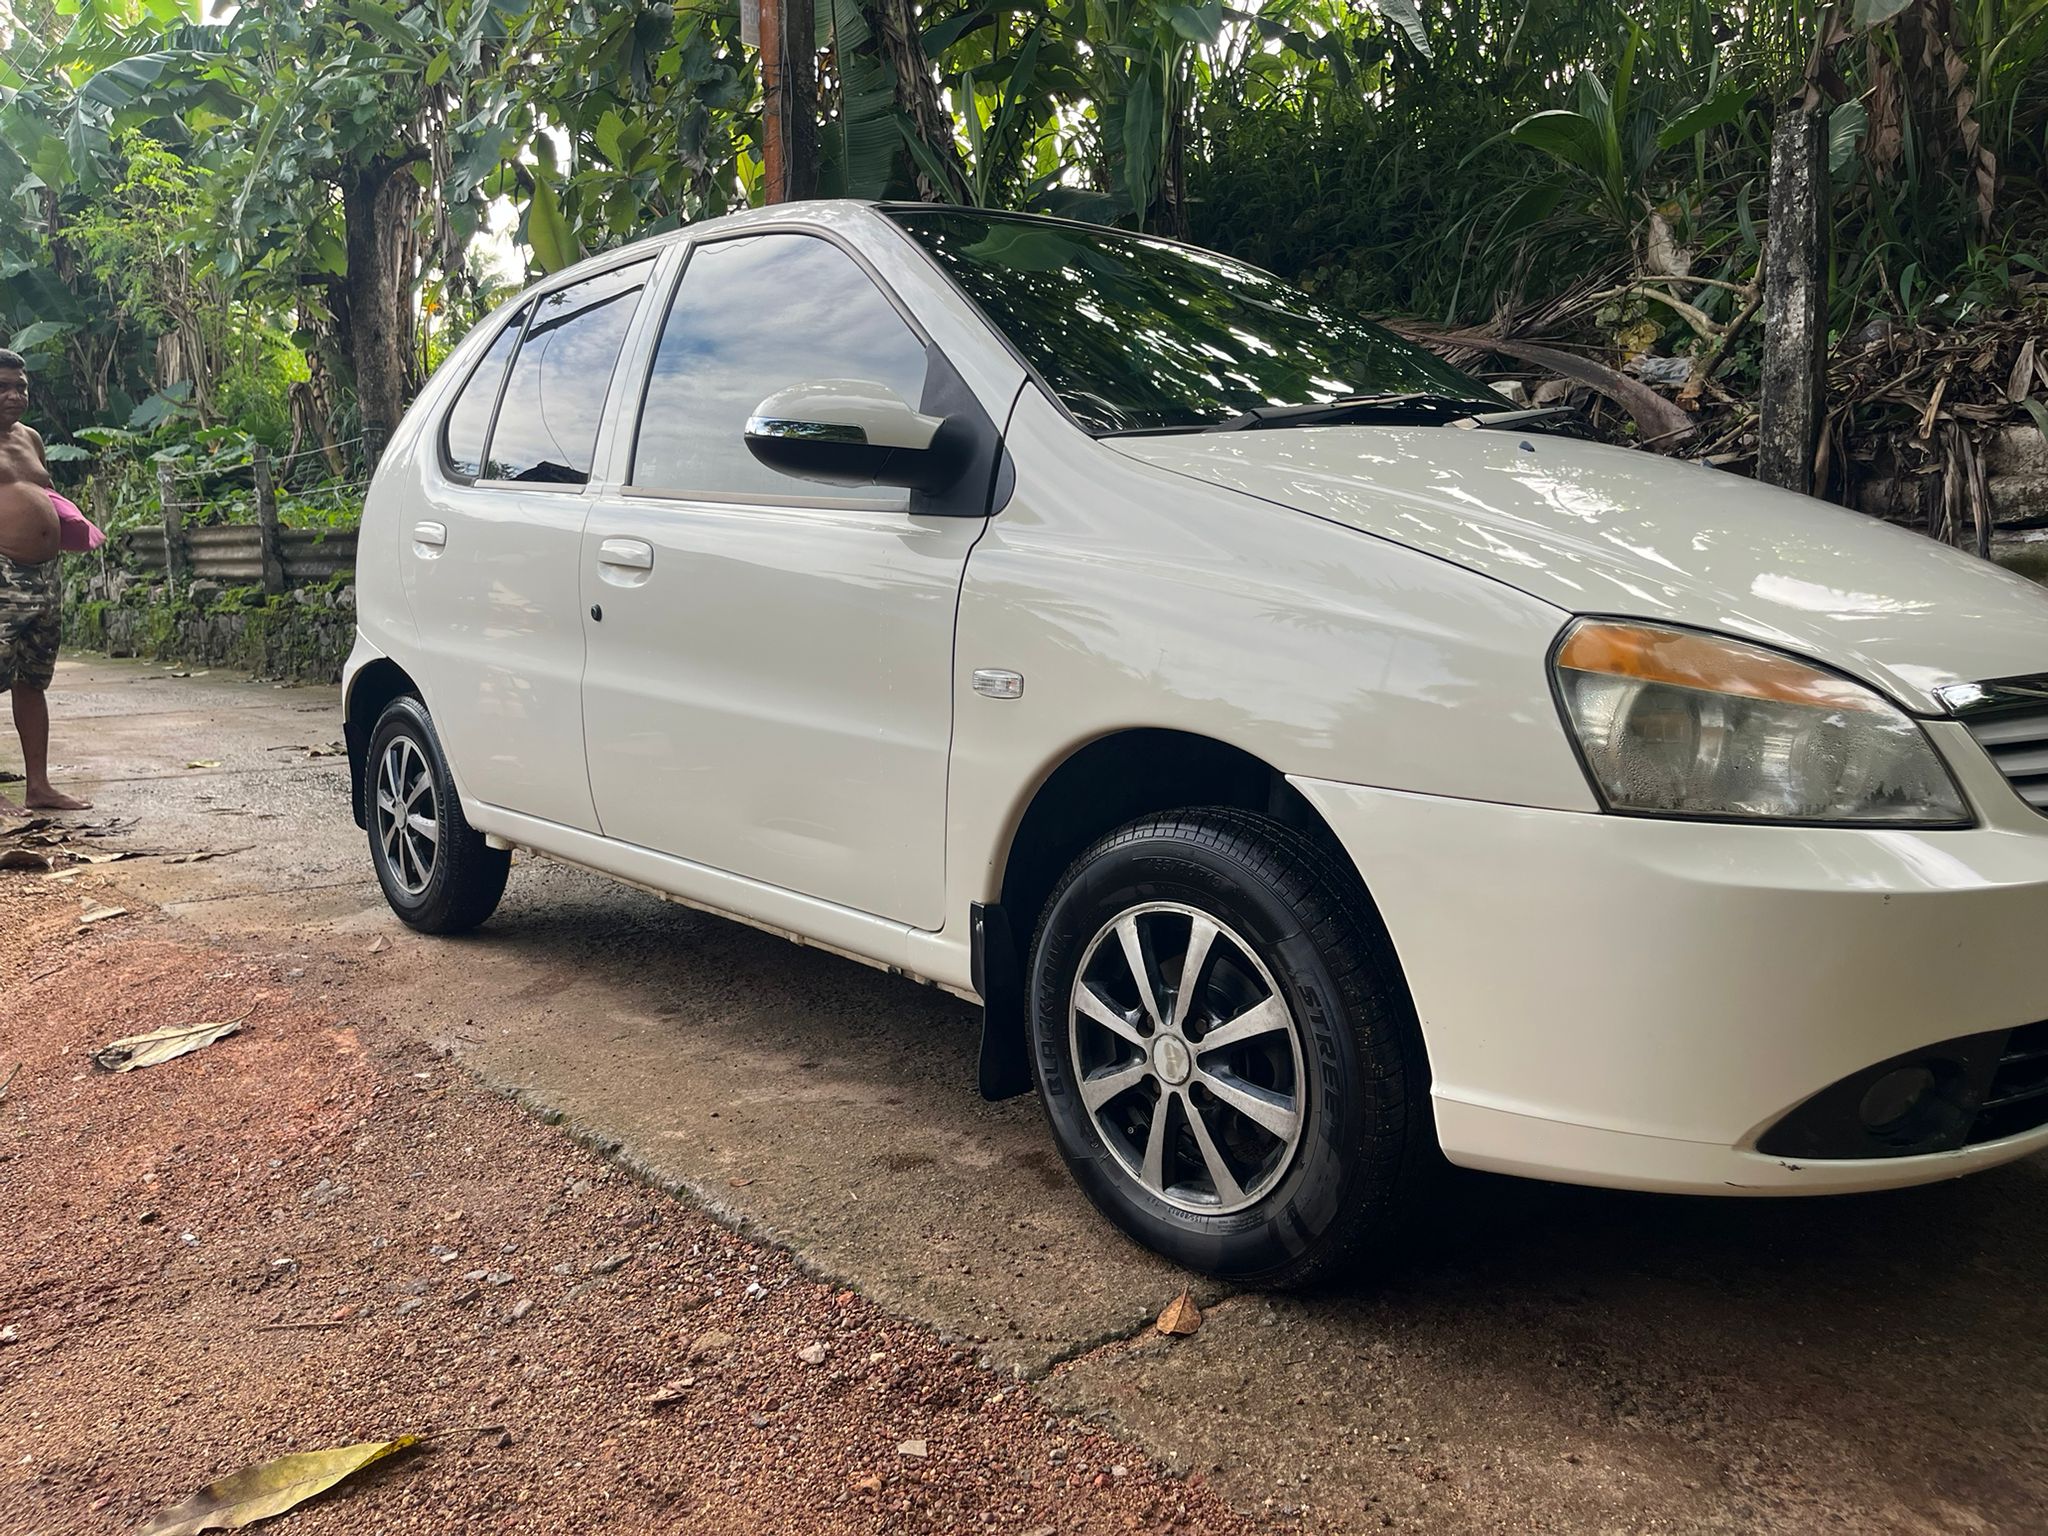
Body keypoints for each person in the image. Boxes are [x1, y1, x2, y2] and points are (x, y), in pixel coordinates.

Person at [0, 347, 91, 813]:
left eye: (22, 387)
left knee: (31, 680)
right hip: (1, 573)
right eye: (4, 388)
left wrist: (73, 525)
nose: (15, 396)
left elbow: (43, 492)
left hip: (44, 577)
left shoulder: (30, 437)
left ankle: (39, 787)